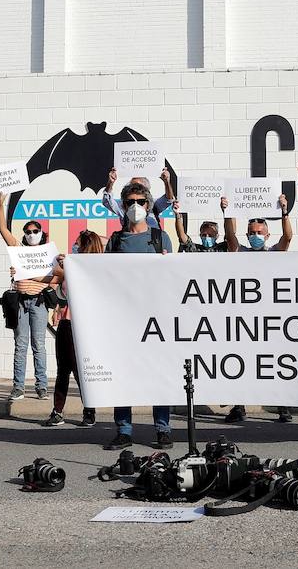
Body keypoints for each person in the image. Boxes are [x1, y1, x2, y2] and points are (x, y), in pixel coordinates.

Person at [104, 182, 175, 450]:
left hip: (156, 318)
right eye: (130, 201)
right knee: (123, 375)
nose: (136, 206)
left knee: (159, 374)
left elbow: (172, 278)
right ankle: (123, 430)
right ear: (123, 205)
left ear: (148, 205)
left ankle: (163, 429)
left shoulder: (159, 238)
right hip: (124, 319)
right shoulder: (115, 240)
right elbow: (103, 276)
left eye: (141, 201)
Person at [222, 194, 294, 424]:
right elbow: (229, 235)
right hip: (244, 317)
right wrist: (227, 211)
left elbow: (288, 236)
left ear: (267, 235)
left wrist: (284, 211)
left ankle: (283, 407)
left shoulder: (275, 253)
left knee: (275, 362)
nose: (255, 236)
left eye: (259, 233)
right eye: (252, 233)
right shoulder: (239, 252)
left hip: (271, 317)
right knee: (241, 363)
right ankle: (239, 406)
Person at [0, 196, 52, 401]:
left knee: (39, 345)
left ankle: (42, 387)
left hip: (39, 301)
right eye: (28, 232)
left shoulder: (49, 253)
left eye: (35, 231)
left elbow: (56, 278)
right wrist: (0, 206)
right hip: (20, 301)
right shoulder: (19, 250)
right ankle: (18, 387)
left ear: (41, 233)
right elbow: (3, 230)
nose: (31, 234)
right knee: (20, 345)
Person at [41, 230, 100, 428]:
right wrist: (22, 273)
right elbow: (49, 277)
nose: (74, 247)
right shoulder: (69, 267)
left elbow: (63, 274)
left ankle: (89, 410)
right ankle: (57, 411)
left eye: (77, 244)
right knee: (62, 370)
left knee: (80, 370)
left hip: (83, 326)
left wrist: (62, 265)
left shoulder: (90, 269)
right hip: (66, 324)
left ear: (86, 246)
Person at [101, 168, 174, 229]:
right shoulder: (126, 204)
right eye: (131, 186)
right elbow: (107, 201)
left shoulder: (153, 204)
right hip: (130, 241)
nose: (134, 189)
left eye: (138, 186)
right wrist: (111, 182)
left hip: (152, 242)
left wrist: (166, 182)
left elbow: (168, 199)